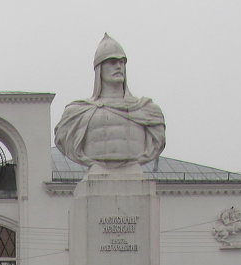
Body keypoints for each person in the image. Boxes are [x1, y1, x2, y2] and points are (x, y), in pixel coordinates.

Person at [54, 33, 166, 172]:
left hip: (134, 172)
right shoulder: (78, 112)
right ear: (99, 69)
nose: (119, 66)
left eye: (122, 62)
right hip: (96, 172)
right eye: (112, 61)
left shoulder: (147, 110)